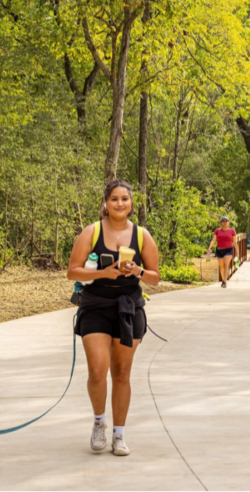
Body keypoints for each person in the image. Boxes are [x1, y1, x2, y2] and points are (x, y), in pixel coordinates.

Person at [66, 179, 160, 457]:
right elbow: (73, 271)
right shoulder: (91, 232)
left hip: (128, 308)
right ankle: (99, 423)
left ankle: (119, 434)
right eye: (114, 199)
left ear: (132, 204)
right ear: (105, 203)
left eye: (125, 199)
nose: (120, 203)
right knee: (97, 371)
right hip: (95, 306)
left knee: (121, 373)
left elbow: (154, 278)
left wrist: (138, 272)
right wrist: (103, 273)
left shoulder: (142, 236)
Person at [207, 216, 238, 288]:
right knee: (221, 266)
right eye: (223, 221)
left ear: (228, 222)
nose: (225, 223)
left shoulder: (232, 231)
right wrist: (209, 247)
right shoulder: (217, 230)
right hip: (219, 250)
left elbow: (234, 242)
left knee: (225, 265)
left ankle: (225, 282)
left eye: (226, 221)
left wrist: (237, 251)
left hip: (228, 249)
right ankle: (223, 280)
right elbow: (213, 240)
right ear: (221, 223)